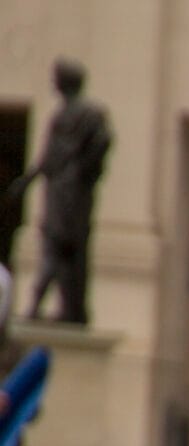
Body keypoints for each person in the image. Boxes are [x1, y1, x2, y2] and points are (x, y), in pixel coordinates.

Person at [8, 59, 112, 325]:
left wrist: (83, 169)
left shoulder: (88, 113)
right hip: (60, 190)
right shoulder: (62, 115)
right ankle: (69, 310)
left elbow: (102, 141)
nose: (52, 82)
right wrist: (27, 180)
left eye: (56, 78)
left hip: (69, 194)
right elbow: (48, 156)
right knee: (64, 250)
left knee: (59, 247)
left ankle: (45, 306)